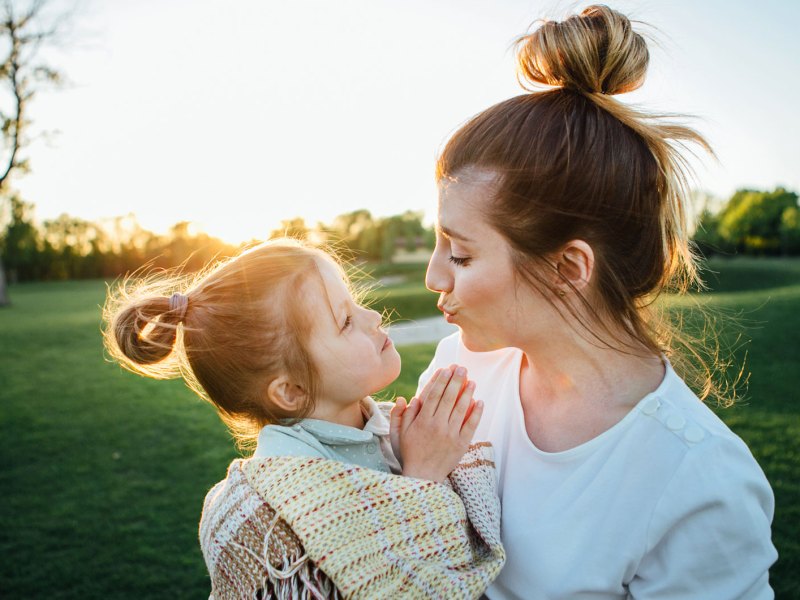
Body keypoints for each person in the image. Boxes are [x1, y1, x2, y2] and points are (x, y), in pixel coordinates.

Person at [418, 5, 777, 599]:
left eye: (460, 255)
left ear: (569, 268)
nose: (435, 276)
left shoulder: (699, 477)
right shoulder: (461, 370)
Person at [102, 238, 504, 599]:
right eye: (345, 321)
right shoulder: (263, 518)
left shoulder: (389, 432)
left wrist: (408, 458)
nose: (373, 317)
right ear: (291, 391)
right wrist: (423, 480)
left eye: (355, 302)